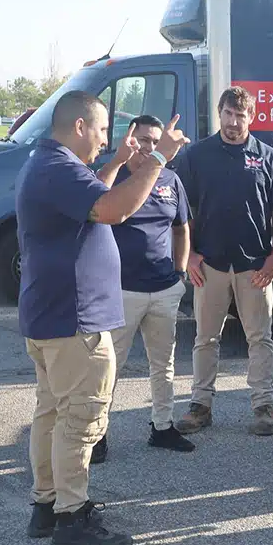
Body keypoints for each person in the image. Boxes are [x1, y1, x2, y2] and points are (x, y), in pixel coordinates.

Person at [16, 91, 188, 545]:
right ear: (78, 127)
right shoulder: (57, 167)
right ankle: (71, 518)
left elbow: (95, 194)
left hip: (53, 314)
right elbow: (114, 209)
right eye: (100, 129)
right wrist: (158, 160)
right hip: (75, 321)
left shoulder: (49, 163)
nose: (104, 137)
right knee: (81, 416)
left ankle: (47, 506)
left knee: (52, 413)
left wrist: (115, 162)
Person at [174, 86, 273, 438]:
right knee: (205, 338)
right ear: (219, 113)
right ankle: (200, 406)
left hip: (255, 266)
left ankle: (263, 406)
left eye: (240, 115)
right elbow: (182, 211)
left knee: (260, 338)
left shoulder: (269, 157)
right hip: (209, 263)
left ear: (251, 117)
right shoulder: (196, 156)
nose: (233, 122)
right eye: (228, 114)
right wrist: (190, 256)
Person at [92, 115, 195, 457]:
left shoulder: (171, 180)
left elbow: (182, 229)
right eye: (142, 140)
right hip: (122, 292)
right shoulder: (114, 179)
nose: (149, 147)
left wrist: (180, 273)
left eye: (155, 140)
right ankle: (97, 435)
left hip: (164, 288)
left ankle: (162, 426)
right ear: (129, 142)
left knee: (163, 364)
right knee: (109, 367)